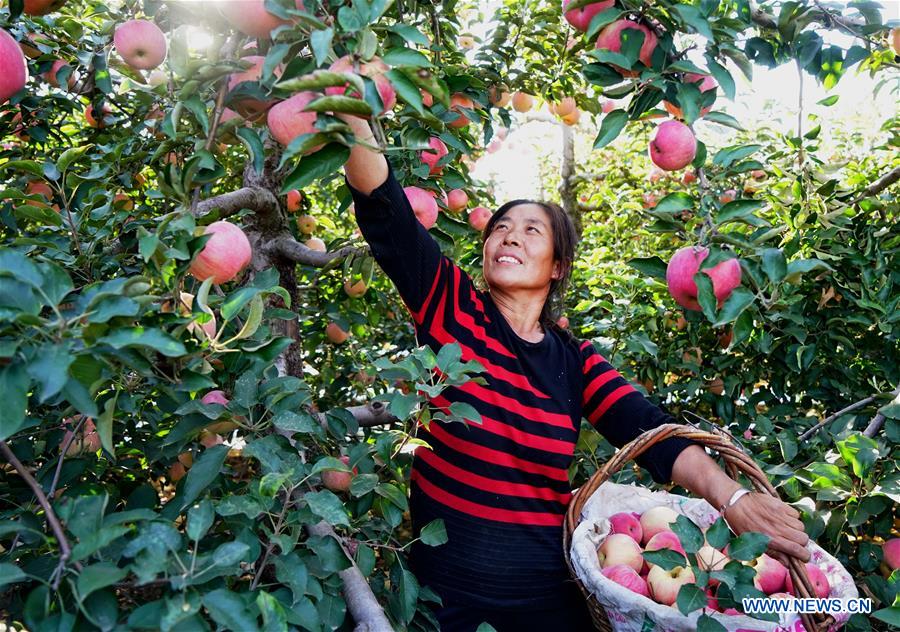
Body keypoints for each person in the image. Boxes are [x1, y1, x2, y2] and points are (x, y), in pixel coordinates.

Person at [338, 114, 810, 632]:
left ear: (557, 265)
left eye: (530, 230)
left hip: (550, 597)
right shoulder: (453, 308)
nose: (508, 238)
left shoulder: (574, 360)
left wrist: (734, 497)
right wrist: (347, 111)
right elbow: (387, 211)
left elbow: (651, 433)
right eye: (499, 229)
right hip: (448, 598)